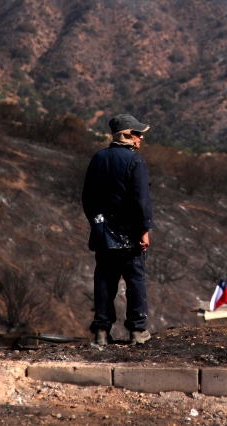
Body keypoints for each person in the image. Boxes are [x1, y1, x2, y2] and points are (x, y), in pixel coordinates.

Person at [82, 113, 154, 345]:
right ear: (127, 135)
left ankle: (101, 332)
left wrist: (97, 222)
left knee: (104, 281)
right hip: (130, 233)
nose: (141, 137)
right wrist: (144, 230)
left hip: (103, 233)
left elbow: (87, 198)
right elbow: (141, 200)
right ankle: (137, 331)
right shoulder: (135, 162)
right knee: (135, 280)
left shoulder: (97, 158)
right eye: (137, 133)